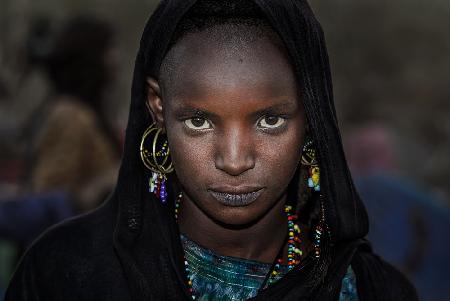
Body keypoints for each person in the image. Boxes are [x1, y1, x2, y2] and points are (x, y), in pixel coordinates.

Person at [5, 1, 418, 300]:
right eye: (199, 121)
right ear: (158, 107)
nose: (235, 161)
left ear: (311, 113)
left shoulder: (372, 290)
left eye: (270, 120)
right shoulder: (65, 274)